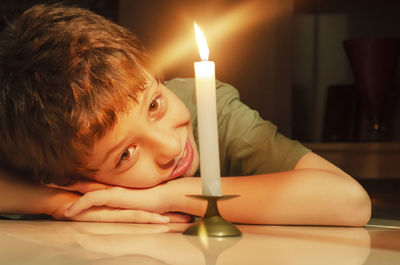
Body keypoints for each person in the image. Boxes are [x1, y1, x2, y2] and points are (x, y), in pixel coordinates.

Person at [0, 4, 371, 225]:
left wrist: (167, 196)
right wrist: (64, 203)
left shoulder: (205, 103)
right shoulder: (52, 149)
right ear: (66, 178)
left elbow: (349, 201)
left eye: (155, 105)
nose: (170, 145)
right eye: (125, 155)